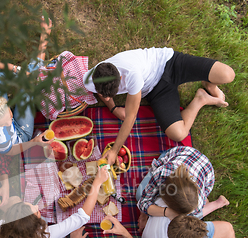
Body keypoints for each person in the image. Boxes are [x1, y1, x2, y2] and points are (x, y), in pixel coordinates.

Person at [83, 47, 235, 165]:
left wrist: (115, 150)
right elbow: (103, 94)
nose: (107, 97)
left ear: (121, 77)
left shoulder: (132, 75)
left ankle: (209, 84)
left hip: (170, 62)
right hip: (157, 91)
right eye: (104, 94)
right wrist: (113, 108)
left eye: (112, 94)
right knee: (178, 134)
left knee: (228, 74)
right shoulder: (90, 79)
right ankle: (200, 99)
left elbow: (130, 118)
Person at [0, 17, 53, 156]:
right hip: (19, 136)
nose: (9, 122)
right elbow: (11, 151)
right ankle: (44, 36)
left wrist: (18, 70)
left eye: (9, 116)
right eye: (4, 124)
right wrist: (34, 141)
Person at [136, 146, 229, 232]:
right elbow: (143, 201)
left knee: (194, 217)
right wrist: (146, 216)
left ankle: (217, 204)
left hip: (206, 171)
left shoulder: (198, 204)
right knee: (139, 194)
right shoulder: (162, 173)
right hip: (182, 153)